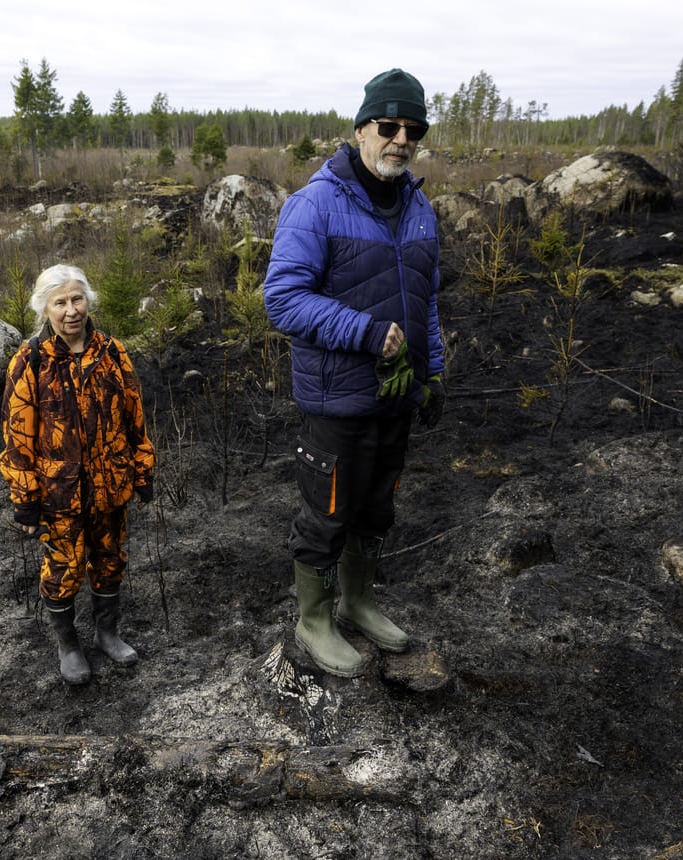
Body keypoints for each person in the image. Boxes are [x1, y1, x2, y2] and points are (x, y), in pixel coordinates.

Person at [263, 68, 446, 678]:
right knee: (329, 512)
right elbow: (283, 298)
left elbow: (428, 302)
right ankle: (313, 619)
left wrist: (434, 374)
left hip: (397, 395)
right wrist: (364, 333)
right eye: (389, 126)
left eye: (412, 128)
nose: (401, 139)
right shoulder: (314, 203)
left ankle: (359, 601)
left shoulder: (420, 208)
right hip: (337, 398)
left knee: (376, 508)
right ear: (363, 127)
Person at [0, 263, 155, 685]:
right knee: (63, 568)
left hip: (110, 486)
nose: (71, 310)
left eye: (77, 299)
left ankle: (107, 633)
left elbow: (134, 419)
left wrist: (142, 470)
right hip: (58, 493)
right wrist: (25, 498)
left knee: (109, 561)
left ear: (89, 302)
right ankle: (69, 646)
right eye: (60, 302)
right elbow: (18, 437)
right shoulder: (30, 361)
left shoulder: (113, 353)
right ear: (45, 309)